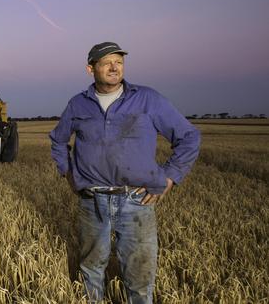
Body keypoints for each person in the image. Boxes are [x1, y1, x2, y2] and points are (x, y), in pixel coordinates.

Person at [49, 42, 200, 303]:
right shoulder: (78, 104)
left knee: (139, 274)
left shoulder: (147, 99)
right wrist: (69, 174)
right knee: (91, 268)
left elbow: (189, 137)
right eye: (106, 62)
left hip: (136, 201)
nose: (114, 66)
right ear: (90, 68)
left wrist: (170, 177)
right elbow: (58, 140)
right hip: (91, 200)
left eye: (118, 61)